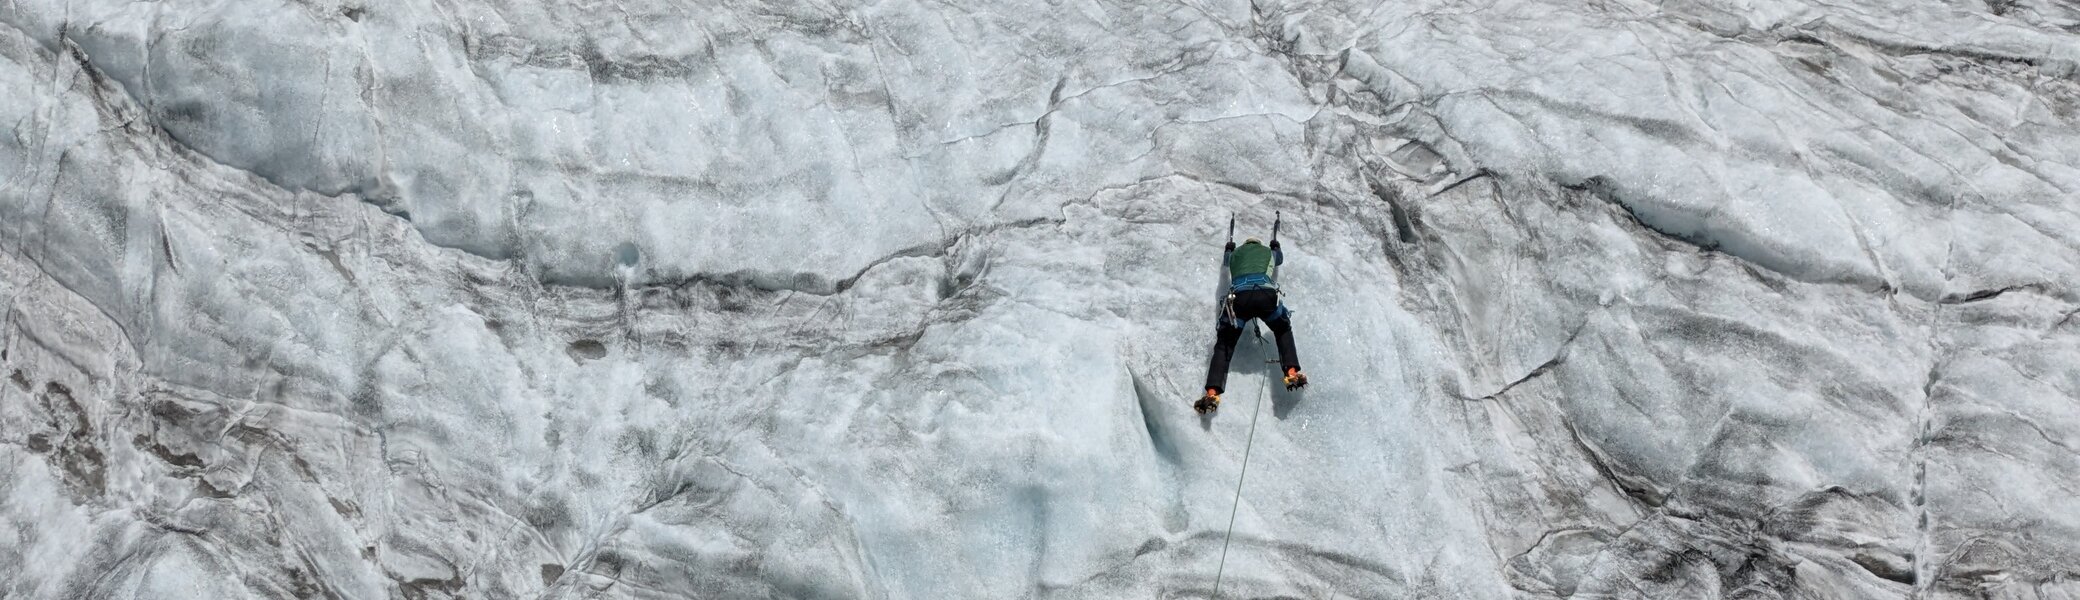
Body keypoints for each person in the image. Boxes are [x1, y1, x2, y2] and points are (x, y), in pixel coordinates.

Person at [1197, 236, 1306, 413]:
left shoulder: (1235, 255)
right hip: (1265, 297)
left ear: (1245, 245)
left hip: (1238, 301)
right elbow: (1279, 258)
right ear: (1258, 244)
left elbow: (1226, 260)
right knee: (1282, 329)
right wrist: (1275, 246)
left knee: (1224, 345)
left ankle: (1212, 392)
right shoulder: (1267, 252)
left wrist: (1229, 249)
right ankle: (1291, 372)